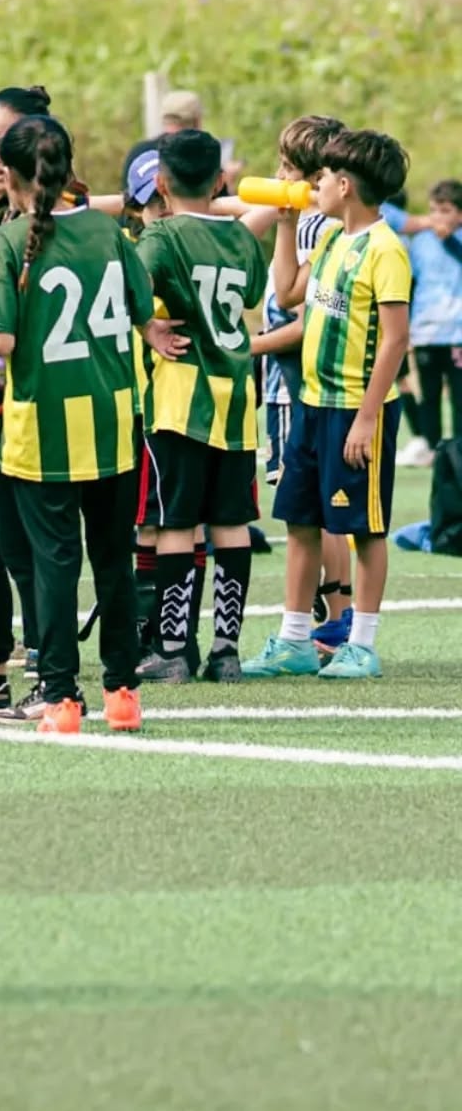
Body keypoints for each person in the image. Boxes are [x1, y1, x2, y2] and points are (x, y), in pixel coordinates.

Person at [0, 114, 186, 734]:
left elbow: (0, 343)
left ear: (9, 176)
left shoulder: (9, 241)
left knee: (54, 564)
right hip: (114, 419)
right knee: (114, 560)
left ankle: (62, 698)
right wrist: (150, 332)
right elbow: (141, 309)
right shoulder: (107, 230)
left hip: (43, 427)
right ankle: (122, 693)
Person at [244, 128, 412, 681]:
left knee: (365, 527)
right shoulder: (333, 239)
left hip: (355, 410)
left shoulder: (385, 250)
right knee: (300, 520)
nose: (313, 185)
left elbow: (395, 340)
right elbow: (288, 292)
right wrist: (286, 224)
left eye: (323, 179)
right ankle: (294, 638)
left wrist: (367, 417)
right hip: (311, 403)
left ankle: (361, 643)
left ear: (345, 186)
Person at [133, 130, 271, 684]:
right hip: (235, 397)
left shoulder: (162, 235)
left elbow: (128, 286)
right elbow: (255, 295)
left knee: (176, 522)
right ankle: (226, 650)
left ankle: (172, 650)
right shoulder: (240, 238)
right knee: (231, 523)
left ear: (161, 183)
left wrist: (150, 328)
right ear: (220, 182)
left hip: (180, 400)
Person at [249, 115, 354, 649]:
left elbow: (305, 317)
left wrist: (246, 347)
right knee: (317, 505)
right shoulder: (319, 224)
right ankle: (334, 614)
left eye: (287, 167)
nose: (278, 175)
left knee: (310, 508)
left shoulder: (316, 228)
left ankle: (335, 614)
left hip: (296, 385)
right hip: (300, 383)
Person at [389, 179, 462, 462]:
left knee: (459, 400)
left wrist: (449, 239)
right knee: (429, 397)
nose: (437, 217)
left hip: (457, 336)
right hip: (426, 333)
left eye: (445, 211)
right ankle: (434, 452)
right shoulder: (419, 242)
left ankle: (458, 456)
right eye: (433, 210)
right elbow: (409, 286)